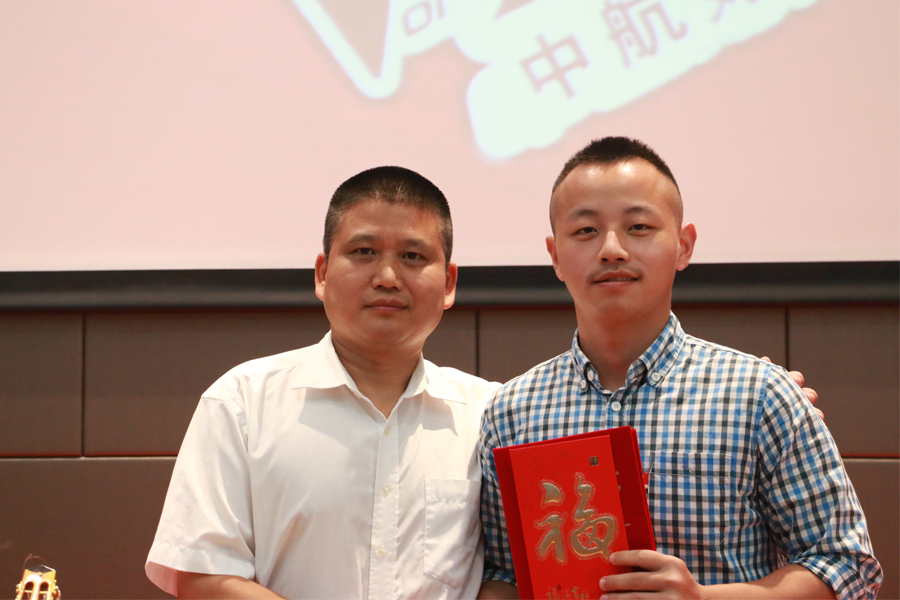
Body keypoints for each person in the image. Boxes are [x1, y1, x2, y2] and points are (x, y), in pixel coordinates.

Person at [478, 137, 882, 599]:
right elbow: (502, 571)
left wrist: (703, 598)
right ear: (554, 256)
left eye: (639, 227)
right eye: (585, 230)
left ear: (684, 246)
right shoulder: (511, 411)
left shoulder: (759, 394)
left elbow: (846, 566)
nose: (611, 249)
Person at [146, 166, 500, 598]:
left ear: (448, 284)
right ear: (322, 273)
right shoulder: (242, 401)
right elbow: (203, 576)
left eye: (413, 256)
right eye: (364, 251)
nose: (387, 277)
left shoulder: (491, 414)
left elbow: (511, 575)